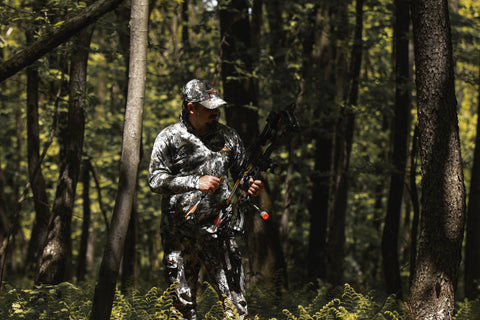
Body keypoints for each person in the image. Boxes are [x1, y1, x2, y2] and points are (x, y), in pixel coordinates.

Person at [149, 79, 264, 319]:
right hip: (179, 236)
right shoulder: (169, 137)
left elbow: (242, 174)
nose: (216, 112)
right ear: (191, 108)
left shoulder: (228, 136)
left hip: (219, 231)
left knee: (235, 304)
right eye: (209, 107)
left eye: (217, 106)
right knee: (182, 308)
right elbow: (156, 180)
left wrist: (250, 185)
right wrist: (195, 182)